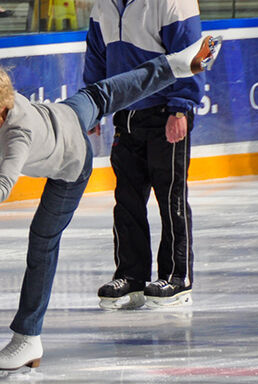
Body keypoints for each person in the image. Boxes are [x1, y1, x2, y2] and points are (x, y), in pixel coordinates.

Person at [0, 35, 221, 371]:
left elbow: (1, 191)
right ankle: (180, 63)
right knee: (106, 91)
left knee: (42, 239)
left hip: (71, 162)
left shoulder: (17, 139)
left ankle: (27, 337)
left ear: (2, 105)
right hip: (67, 112)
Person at [83, 0, 207, 310]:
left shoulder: (172, 2)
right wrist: (92, 105)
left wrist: (181, 107)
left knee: (170, 198)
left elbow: (191, 53)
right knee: (127, 199)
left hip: (166, 111)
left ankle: (178, 277)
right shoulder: (103, 5)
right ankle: (131, 276)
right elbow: (97, 55)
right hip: (125, 113)